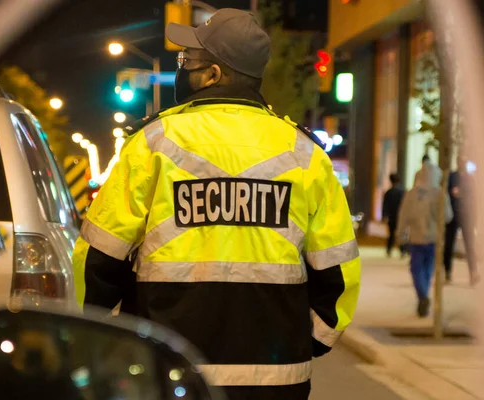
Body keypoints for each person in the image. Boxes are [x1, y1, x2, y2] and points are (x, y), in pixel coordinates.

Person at [73, 9, 361, 400]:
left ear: (211, 75)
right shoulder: (305, 153)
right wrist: (306, 341)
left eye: (185, 62)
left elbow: (98, 260)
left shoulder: (151, 144)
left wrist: (97, 338)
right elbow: (338, 270)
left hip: (169, 375)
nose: (180, 71)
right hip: (276, 381)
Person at [397, 170, 453, 317]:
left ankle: (422, 296)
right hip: (432, 239)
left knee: (417, 269)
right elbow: (448, 216)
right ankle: (423, 296)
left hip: (417, 239)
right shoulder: (440, 193)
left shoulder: (414, 194)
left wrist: (401, 233)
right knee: (427, 270)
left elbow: (403, 216)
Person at [444, 155, 480, 285]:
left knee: (470, 245)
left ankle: (473, 272)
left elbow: (475, 198)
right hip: (453, 215)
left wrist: (475, 217)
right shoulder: (451, 177)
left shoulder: (470, 179)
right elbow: (446, 195)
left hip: (466, 215)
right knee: (449, 244)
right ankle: (447, 272)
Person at [382, 173, 405, 257]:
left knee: (391, 234)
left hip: (391, 216)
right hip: (400, 216)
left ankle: (389, 249)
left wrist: (385, 216)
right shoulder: (402, 192)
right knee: (401, 233)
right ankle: (402, 250)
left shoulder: (388, 192)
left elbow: (385, 205)